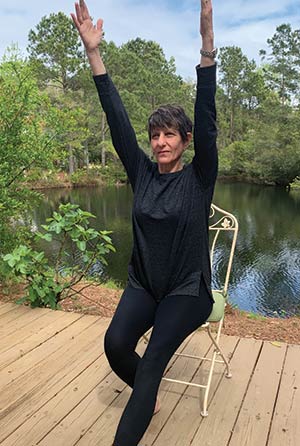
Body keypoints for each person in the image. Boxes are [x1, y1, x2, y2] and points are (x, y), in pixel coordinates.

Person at [71, 1, 218, 445]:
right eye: (155, 135)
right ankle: (147, 395)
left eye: (169, 134)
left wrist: (207, 49)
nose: (160, 142)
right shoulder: (142, 172)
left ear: (185, 140)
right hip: (144, 283)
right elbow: (117, 120)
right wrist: (94, 55)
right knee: (116, 346)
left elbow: (207, 120)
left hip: (187, 290)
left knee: (152, 361)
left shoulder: (200, 175)